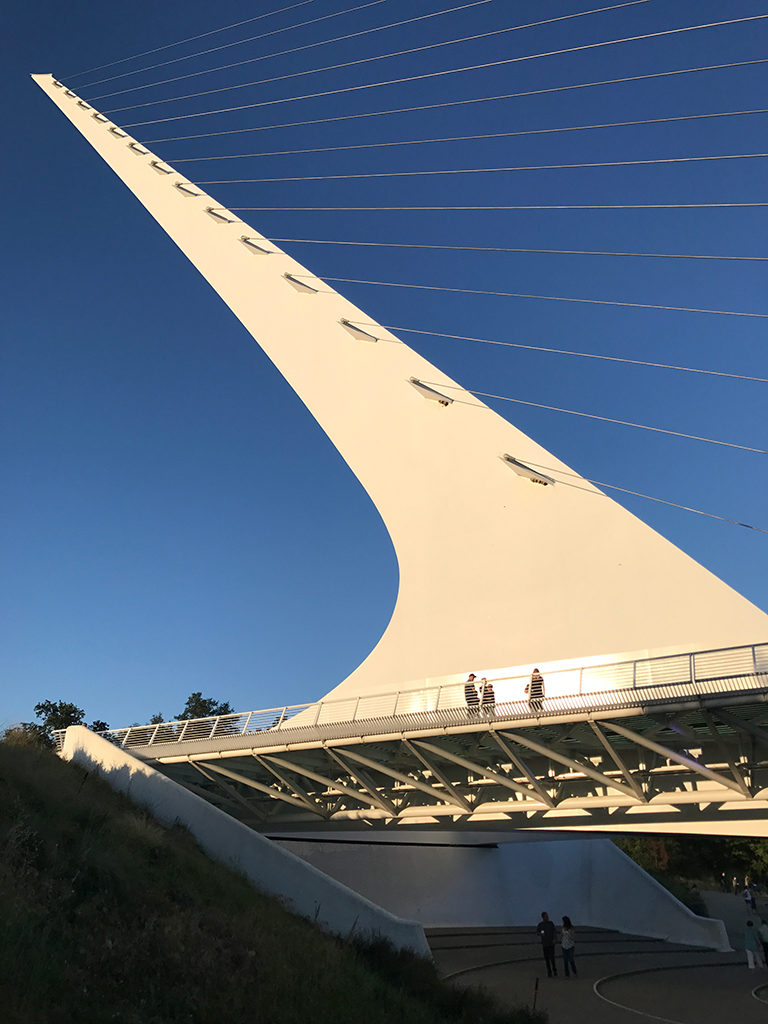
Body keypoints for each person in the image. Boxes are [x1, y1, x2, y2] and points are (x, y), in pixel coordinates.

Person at [536, 911, 557, 977]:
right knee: (547, 959)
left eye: (547, 916)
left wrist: (554, 939)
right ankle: (549, 971)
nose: (547, 917)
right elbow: (537, 932)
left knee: (552, 958)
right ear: (543, 917)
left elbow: (554, 931)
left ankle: (554, 970)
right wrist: (541, 934)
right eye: (546, 916)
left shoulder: (551, 923)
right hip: (545, 944)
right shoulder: (541, 924)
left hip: (551, 943)